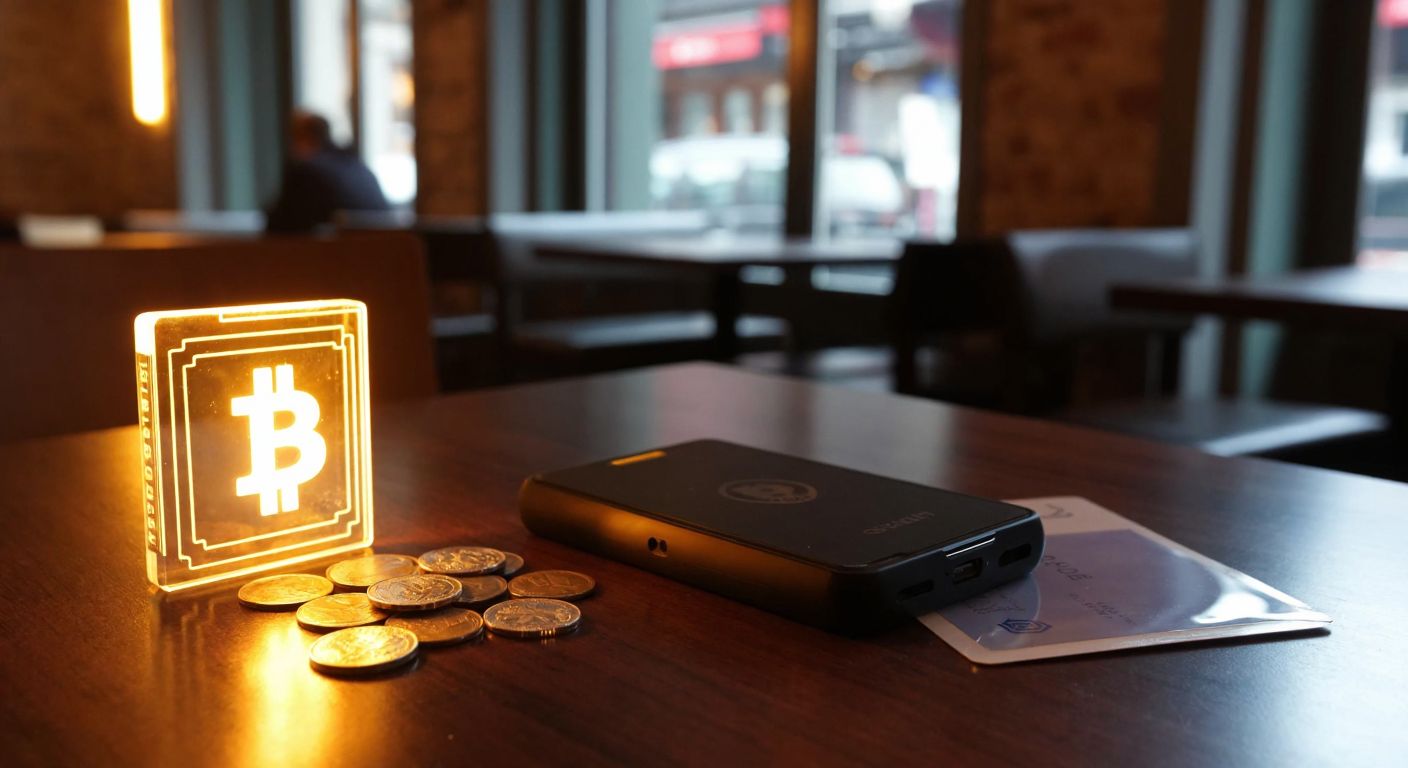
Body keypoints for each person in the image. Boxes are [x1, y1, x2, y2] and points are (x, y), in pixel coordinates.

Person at [265, 111, 390, 233]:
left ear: (302, 138)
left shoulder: (307, 172)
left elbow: (278, 224)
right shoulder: (357, 166)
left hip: (341, 251)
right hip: (385, 250)